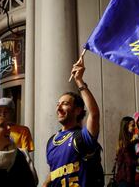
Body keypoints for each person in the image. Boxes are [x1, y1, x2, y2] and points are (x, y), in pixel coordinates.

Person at [43, 58, 100, 187]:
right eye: (58, 104)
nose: (58, 108)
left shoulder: (81, 138)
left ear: (78, 110)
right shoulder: (51, 142)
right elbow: (54, 171)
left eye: (65, 104)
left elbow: (94, 114)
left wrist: (79, 81)